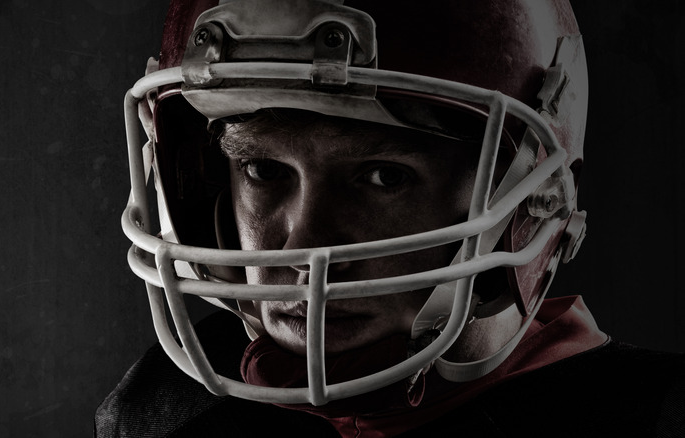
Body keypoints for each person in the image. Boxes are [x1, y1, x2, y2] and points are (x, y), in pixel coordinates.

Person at [97, 1, 684, 436]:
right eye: (263, 170)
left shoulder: (644, 418)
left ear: (533, 201)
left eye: (385, 177)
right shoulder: (167, 410)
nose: (307, 242)